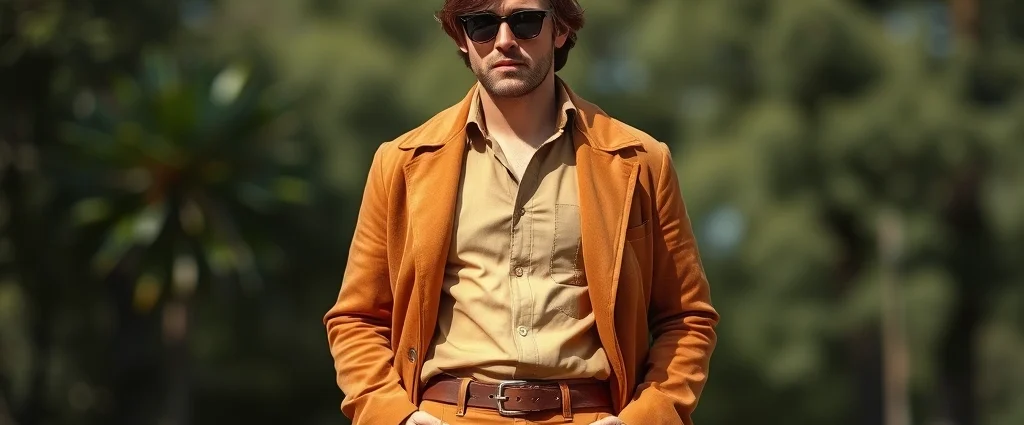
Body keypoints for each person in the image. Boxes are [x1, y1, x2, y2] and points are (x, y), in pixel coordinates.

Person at [323, 0, 719, 424]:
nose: (505, 41)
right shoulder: (401, 162)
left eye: (526, 21)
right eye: (482, 25)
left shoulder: (638, 161)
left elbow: (687, 319)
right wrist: (394, 416)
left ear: (561, 30)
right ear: (462, 38)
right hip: (446, 414)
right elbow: (357, 320)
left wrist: (646, 418)